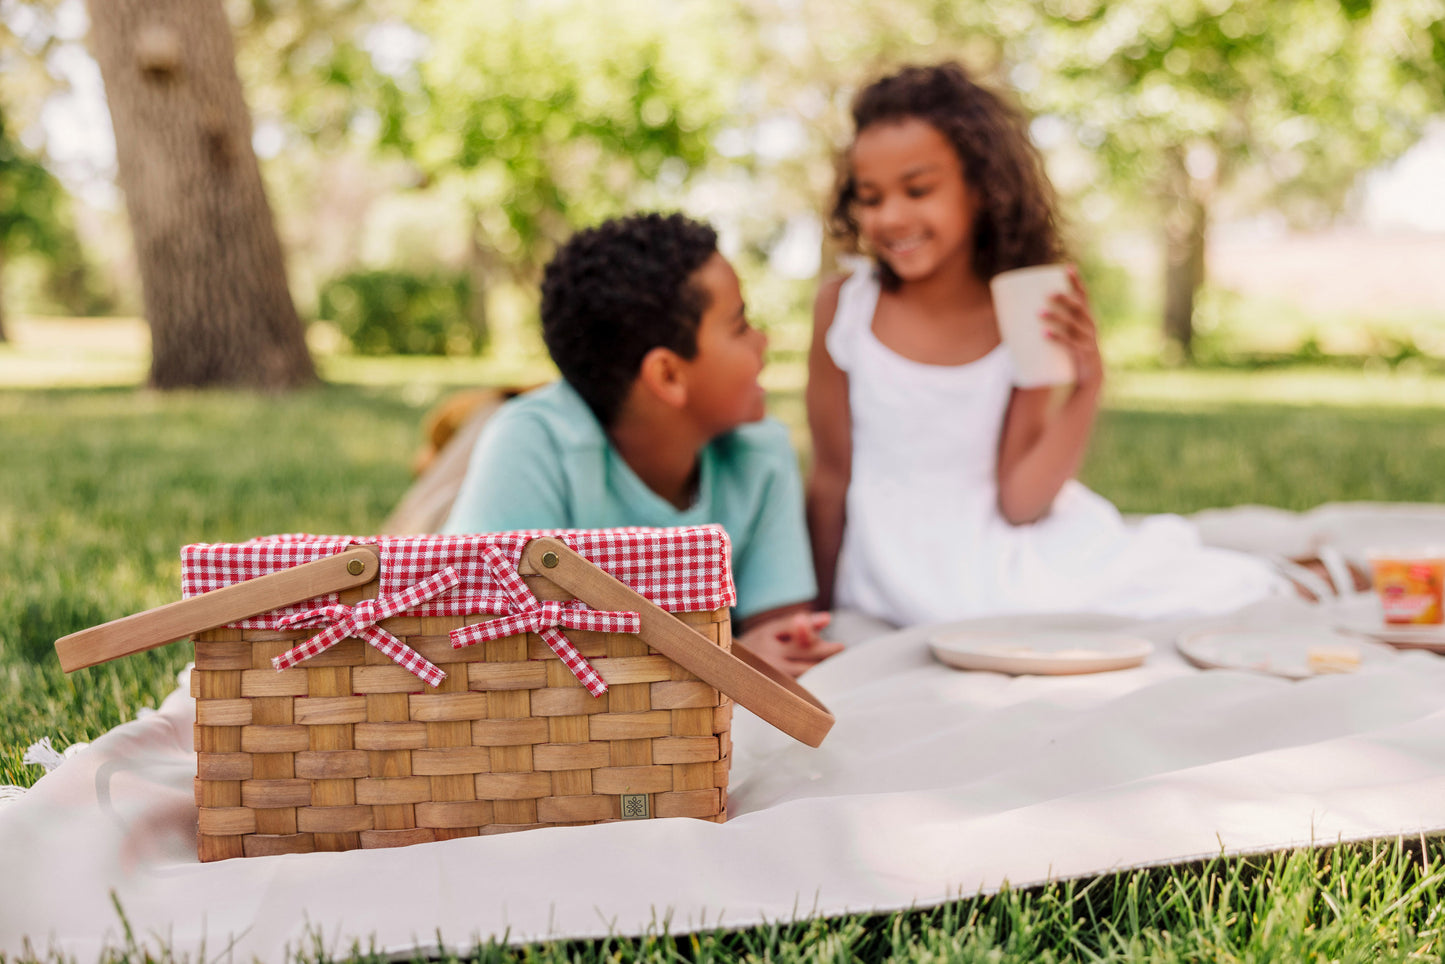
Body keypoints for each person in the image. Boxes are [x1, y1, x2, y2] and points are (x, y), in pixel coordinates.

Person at [807, 62, 1286, 628]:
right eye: (870, 197)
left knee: (1179, 586)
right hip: (888, 564)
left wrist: (1087, 386)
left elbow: (1021, 503)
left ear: (982, 187)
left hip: (1000, 550)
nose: (891, 217)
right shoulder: (846, 307)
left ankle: (1307, 573)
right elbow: (832, 475)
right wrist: (818, 606)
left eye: (918, 189)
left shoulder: (1025, 310)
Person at [444, 212, 843, 675]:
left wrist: (778, 644)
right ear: (668, 375)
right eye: (739, 326)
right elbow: (485, 645)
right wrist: (724, 661)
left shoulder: (761, 452)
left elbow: (784, 639)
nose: (762, 341)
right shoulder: (533, 446)